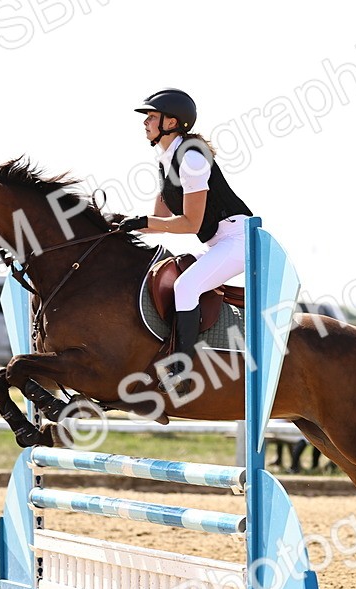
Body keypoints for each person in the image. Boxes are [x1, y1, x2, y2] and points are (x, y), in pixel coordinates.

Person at [115, 88, 254, 393]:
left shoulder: (191, 158)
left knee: (185, 286)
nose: (146, 122)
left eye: (151, 116)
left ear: (172, 122)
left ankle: (181, 367)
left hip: (240, 239)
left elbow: (190, 223)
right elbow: (158, 223)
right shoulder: (165, 160)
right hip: (220, 241)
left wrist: (145, 222)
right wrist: (119, 224)